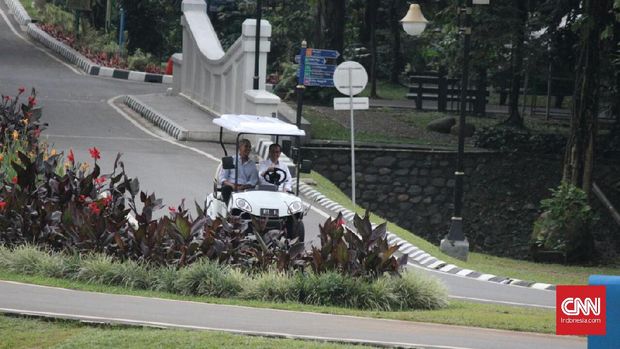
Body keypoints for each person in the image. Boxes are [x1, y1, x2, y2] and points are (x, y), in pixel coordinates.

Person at [219, 138, 258, 204]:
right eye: (246, 146)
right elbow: (222, 178)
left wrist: (242, 187)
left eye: (249, 147)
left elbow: (253, 181)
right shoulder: (230, 160)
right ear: (239, 148)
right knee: (226, 189)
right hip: (231, 187)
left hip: (245, 188)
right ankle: (229, 209)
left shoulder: (252, 164)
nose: (248, 149)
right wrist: (232, 186)